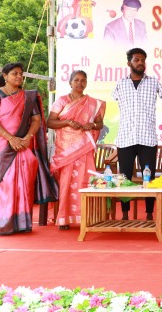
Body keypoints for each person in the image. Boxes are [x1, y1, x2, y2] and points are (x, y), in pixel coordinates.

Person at [0, 63, 57, 235]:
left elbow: (36, 120)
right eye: (14, 73)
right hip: (2, 145)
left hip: (23, 144)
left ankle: (22, 222)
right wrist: (10, 138)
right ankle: (4, 223)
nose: (18, 76)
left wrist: (28, 137)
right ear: (5, 76)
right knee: (5, 183)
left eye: (20, 74)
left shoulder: (28, 97)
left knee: (24, 182)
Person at [112, 48, 162, 220]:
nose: (140, 63)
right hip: (126, 137)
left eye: (143, 60)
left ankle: (149, 214)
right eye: (136, 60)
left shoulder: (154, 82)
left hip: (147, 137)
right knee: (125, 177)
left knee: (148, 177)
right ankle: (125, 214)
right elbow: (115, 99)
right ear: (129, 63)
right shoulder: (120, 84)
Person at [47, 70, 105, 230]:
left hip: (84, 147)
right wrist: (67, 122)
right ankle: (64, 218)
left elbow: (100, 123)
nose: (80, 83)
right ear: (70, 82)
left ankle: (87, 217)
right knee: (66, 182)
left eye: (83, 80)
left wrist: (92, 125)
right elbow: (50, 122)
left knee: (86, 180)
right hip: (66, 149)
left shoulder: (92, 103)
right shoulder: (62, 101)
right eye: (76, 80)